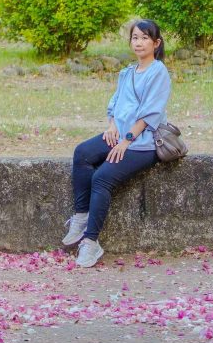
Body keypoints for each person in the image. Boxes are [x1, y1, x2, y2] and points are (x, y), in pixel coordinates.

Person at [62, 19, 171, 267]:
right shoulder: (127, 73)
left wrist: (126, 141)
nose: (139, 42)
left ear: (156, 43)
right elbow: (115, 104)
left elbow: (149, 114)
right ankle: (81, 216)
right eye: (135, 37)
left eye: (145, 38)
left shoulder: (158, 72)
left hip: (141, 143)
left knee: (102, 177)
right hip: (119, 134)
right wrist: (112, 127)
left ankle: (91, 242)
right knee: (83, 153)